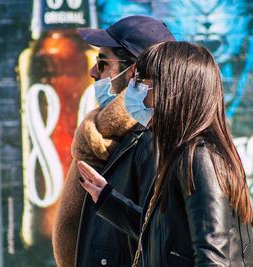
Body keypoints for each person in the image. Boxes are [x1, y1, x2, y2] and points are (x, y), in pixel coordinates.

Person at [77, 41, 253, 266]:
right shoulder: (181, 153)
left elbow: (212, 259)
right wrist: (107, 198)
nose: (133, 87)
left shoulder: (200, 156)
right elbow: (166, 237)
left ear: (172, 89)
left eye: (140, 79)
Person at [52, 16, 175, 267]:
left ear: (133, 72)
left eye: (102, 62)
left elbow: (164, 240)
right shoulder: (100, 137)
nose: (92, 71)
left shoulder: (153, 141)